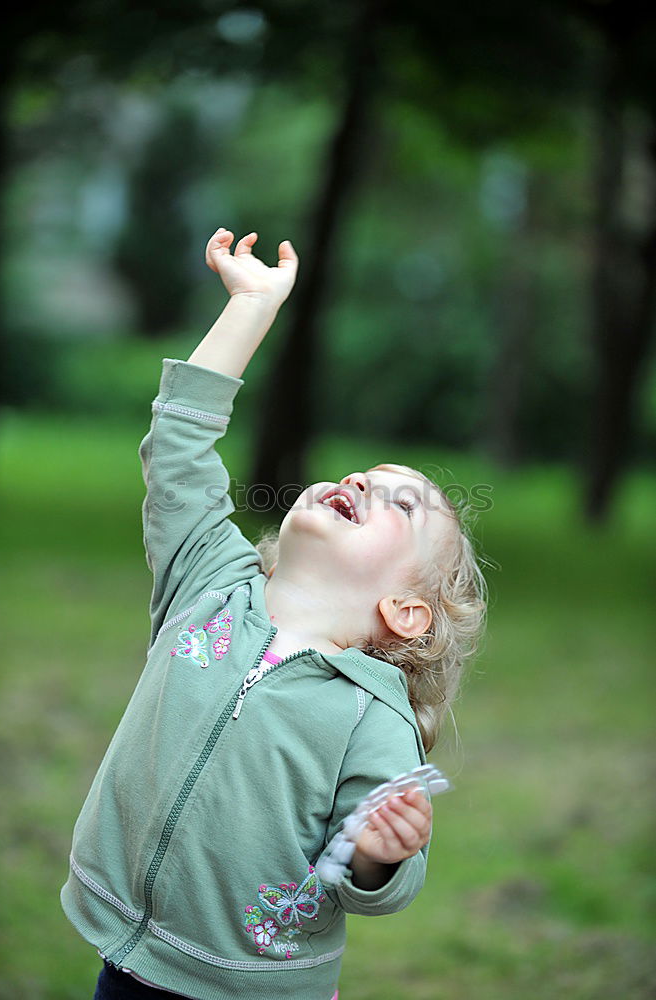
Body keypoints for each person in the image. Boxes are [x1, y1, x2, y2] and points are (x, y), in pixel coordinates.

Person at [60, 228, 488, 1000]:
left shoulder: (369, 716)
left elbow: (375, 884)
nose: (361, 478)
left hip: (252, 987)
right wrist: (251, 307)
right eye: (365, 472)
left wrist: (380, 855)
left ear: (403, 610)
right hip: (126, 954)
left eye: (401, 503)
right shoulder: (209, 581)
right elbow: (179, 446)